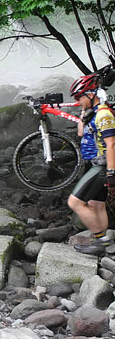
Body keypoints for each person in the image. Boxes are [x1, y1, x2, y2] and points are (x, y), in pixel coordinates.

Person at [68, 74, 115, 255]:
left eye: (79, 96)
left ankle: (101, 240)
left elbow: (111, 143)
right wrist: (84, 115)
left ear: (91, 94)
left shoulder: (103, 114)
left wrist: (111, 172)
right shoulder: (94, 114)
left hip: (102, 166)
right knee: (97, 205)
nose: (77, 100)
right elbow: (81, 133)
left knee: (74, 202)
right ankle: (102, 245)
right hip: (96, 164)